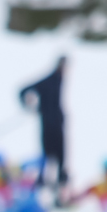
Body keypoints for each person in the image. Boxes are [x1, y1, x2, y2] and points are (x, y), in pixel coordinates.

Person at [19, 58, 67, 198]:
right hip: (49, 125)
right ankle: (44, 181)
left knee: (57, 156)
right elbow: (23, 90)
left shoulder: (59, 79)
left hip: (54, 122)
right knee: (49, 155)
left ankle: (57, 181)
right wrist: (31, 106)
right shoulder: (50, 79)